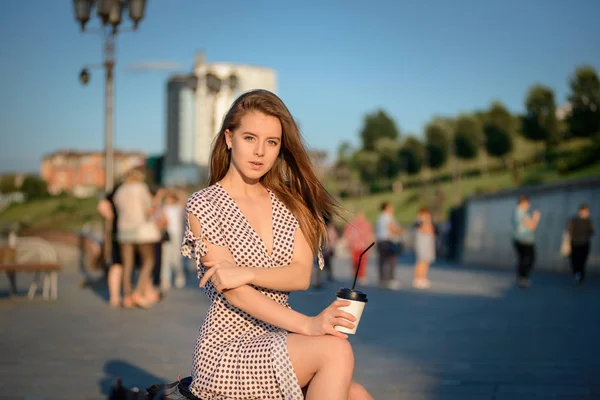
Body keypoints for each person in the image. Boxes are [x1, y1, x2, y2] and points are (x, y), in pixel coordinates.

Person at [181, 90, 373, 399]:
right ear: (229, 138)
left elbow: (299, 275)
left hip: (279, 338)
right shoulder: (204, 204)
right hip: (228, 351)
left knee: (359, 395)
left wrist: (245, 272)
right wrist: (310, 326)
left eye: (271, 142)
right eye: (249, 138)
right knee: (335, 351)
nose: (260, 152)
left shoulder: (290, 204)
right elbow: (235, 293)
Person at [113, 168, 161, 308]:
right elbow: (148, 209)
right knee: (149, 260)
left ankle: (127, 296)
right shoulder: (141, 188)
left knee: (127, 264)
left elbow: (117, 208)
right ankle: (138, 292)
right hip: (141, 230)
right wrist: (156, 202)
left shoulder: (120, 190)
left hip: (123, 230)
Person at [96, 182, 124, 307]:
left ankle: (115, 297)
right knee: (118, 263)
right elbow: (102, 206)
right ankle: (119, 296)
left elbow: (101, 206)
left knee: (116, 264)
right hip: (126, 232)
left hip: (117, 231)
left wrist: (110, 218)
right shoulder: (120, 188)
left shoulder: (118, 188)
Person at [158, 188, 187, 291]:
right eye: (167, 198)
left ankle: (179, 274)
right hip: (166, 235)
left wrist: (178, 192)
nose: (168, 200)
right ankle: (165, 279)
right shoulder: (163, 208)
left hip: (177, 235)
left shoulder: (178, 208)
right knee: (165, 258)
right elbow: (156, 204)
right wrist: (161, 195)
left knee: (177, 258)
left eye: (171, 198)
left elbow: (184, 200)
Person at [512, 195, 541, 288]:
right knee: (530, 258)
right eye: (527, 203)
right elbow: (532, 226)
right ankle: (523, 277)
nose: (529, 205)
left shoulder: (517, 212)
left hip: (519, 239)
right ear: (523, 203)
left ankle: (521, 277)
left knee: (523, 259)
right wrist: (536, 217)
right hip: (525, 240)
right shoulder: (521, 213)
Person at [375, 201, 403, 290]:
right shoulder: (387, 216)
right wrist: (400, 231)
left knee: (382, 261)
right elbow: (392, 228)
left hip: (380, 241)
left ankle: (382, 279)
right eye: (391, 207)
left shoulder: (380, 217)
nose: (392, 208)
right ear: (386, 207)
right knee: (391, 260)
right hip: (388, 241)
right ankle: (391, 280)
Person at [343, 211, 375, 286]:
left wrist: (371, 245)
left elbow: (370, 235)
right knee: (355, 262)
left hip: (364, 246)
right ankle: (355, 275)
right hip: (354, 246)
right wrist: (347, 244)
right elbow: (347, 235)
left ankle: (362, 276)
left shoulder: (367, 224)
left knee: (363, 262)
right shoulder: (351, 224)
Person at [568, 203, 594, 285]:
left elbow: (592, 231)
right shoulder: (574, 220)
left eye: (586, 211)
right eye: (584, 211)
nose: (585, 213)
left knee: (583, 261)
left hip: (584, 244)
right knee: (574, 260)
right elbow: (569, 230)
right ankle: (576, 273)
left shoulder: (588, 221)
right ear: (580, 211)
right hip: (575, 243)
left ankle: (580, 277)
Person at [413, 207, 435, 289]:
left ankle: (423, 278)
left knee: (426, 261)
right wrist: (427, 221)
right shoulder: (419, 220)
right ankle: (418, 279)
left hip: (427, 244)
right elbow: (425, 229)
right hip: (422, 244)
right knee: (421, 261)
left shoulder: (426, 221)